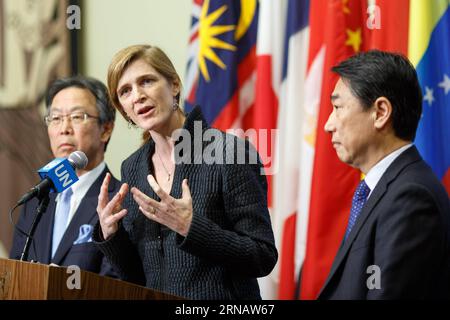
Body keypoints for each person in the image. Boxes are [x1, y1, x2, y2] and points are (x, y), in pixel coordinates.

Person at [92, 44, 278, 300]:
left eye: (146, 81)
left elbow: (262, 256)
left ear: (175, 85)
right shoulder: (132, 168)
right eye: (125, 91)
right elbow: (138, 276)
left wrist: (191, 227)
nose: (137, 96)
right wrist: (111, 236)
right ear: (123, 108)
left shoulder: (230, 152)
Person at [319, 50, 450, 299]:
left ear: (380, 112)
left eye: (337, 107)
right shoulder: (387, 190)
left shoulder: (411, 198)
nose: (328, 124)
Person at [10, 76, 120, 277]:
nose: (64, 129)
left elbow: (118, 284)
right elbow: (15, 275)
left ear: (106, 129)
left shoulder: (119, 200)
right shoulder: (36, 200)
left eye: (77, 116)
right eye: (56, 118)